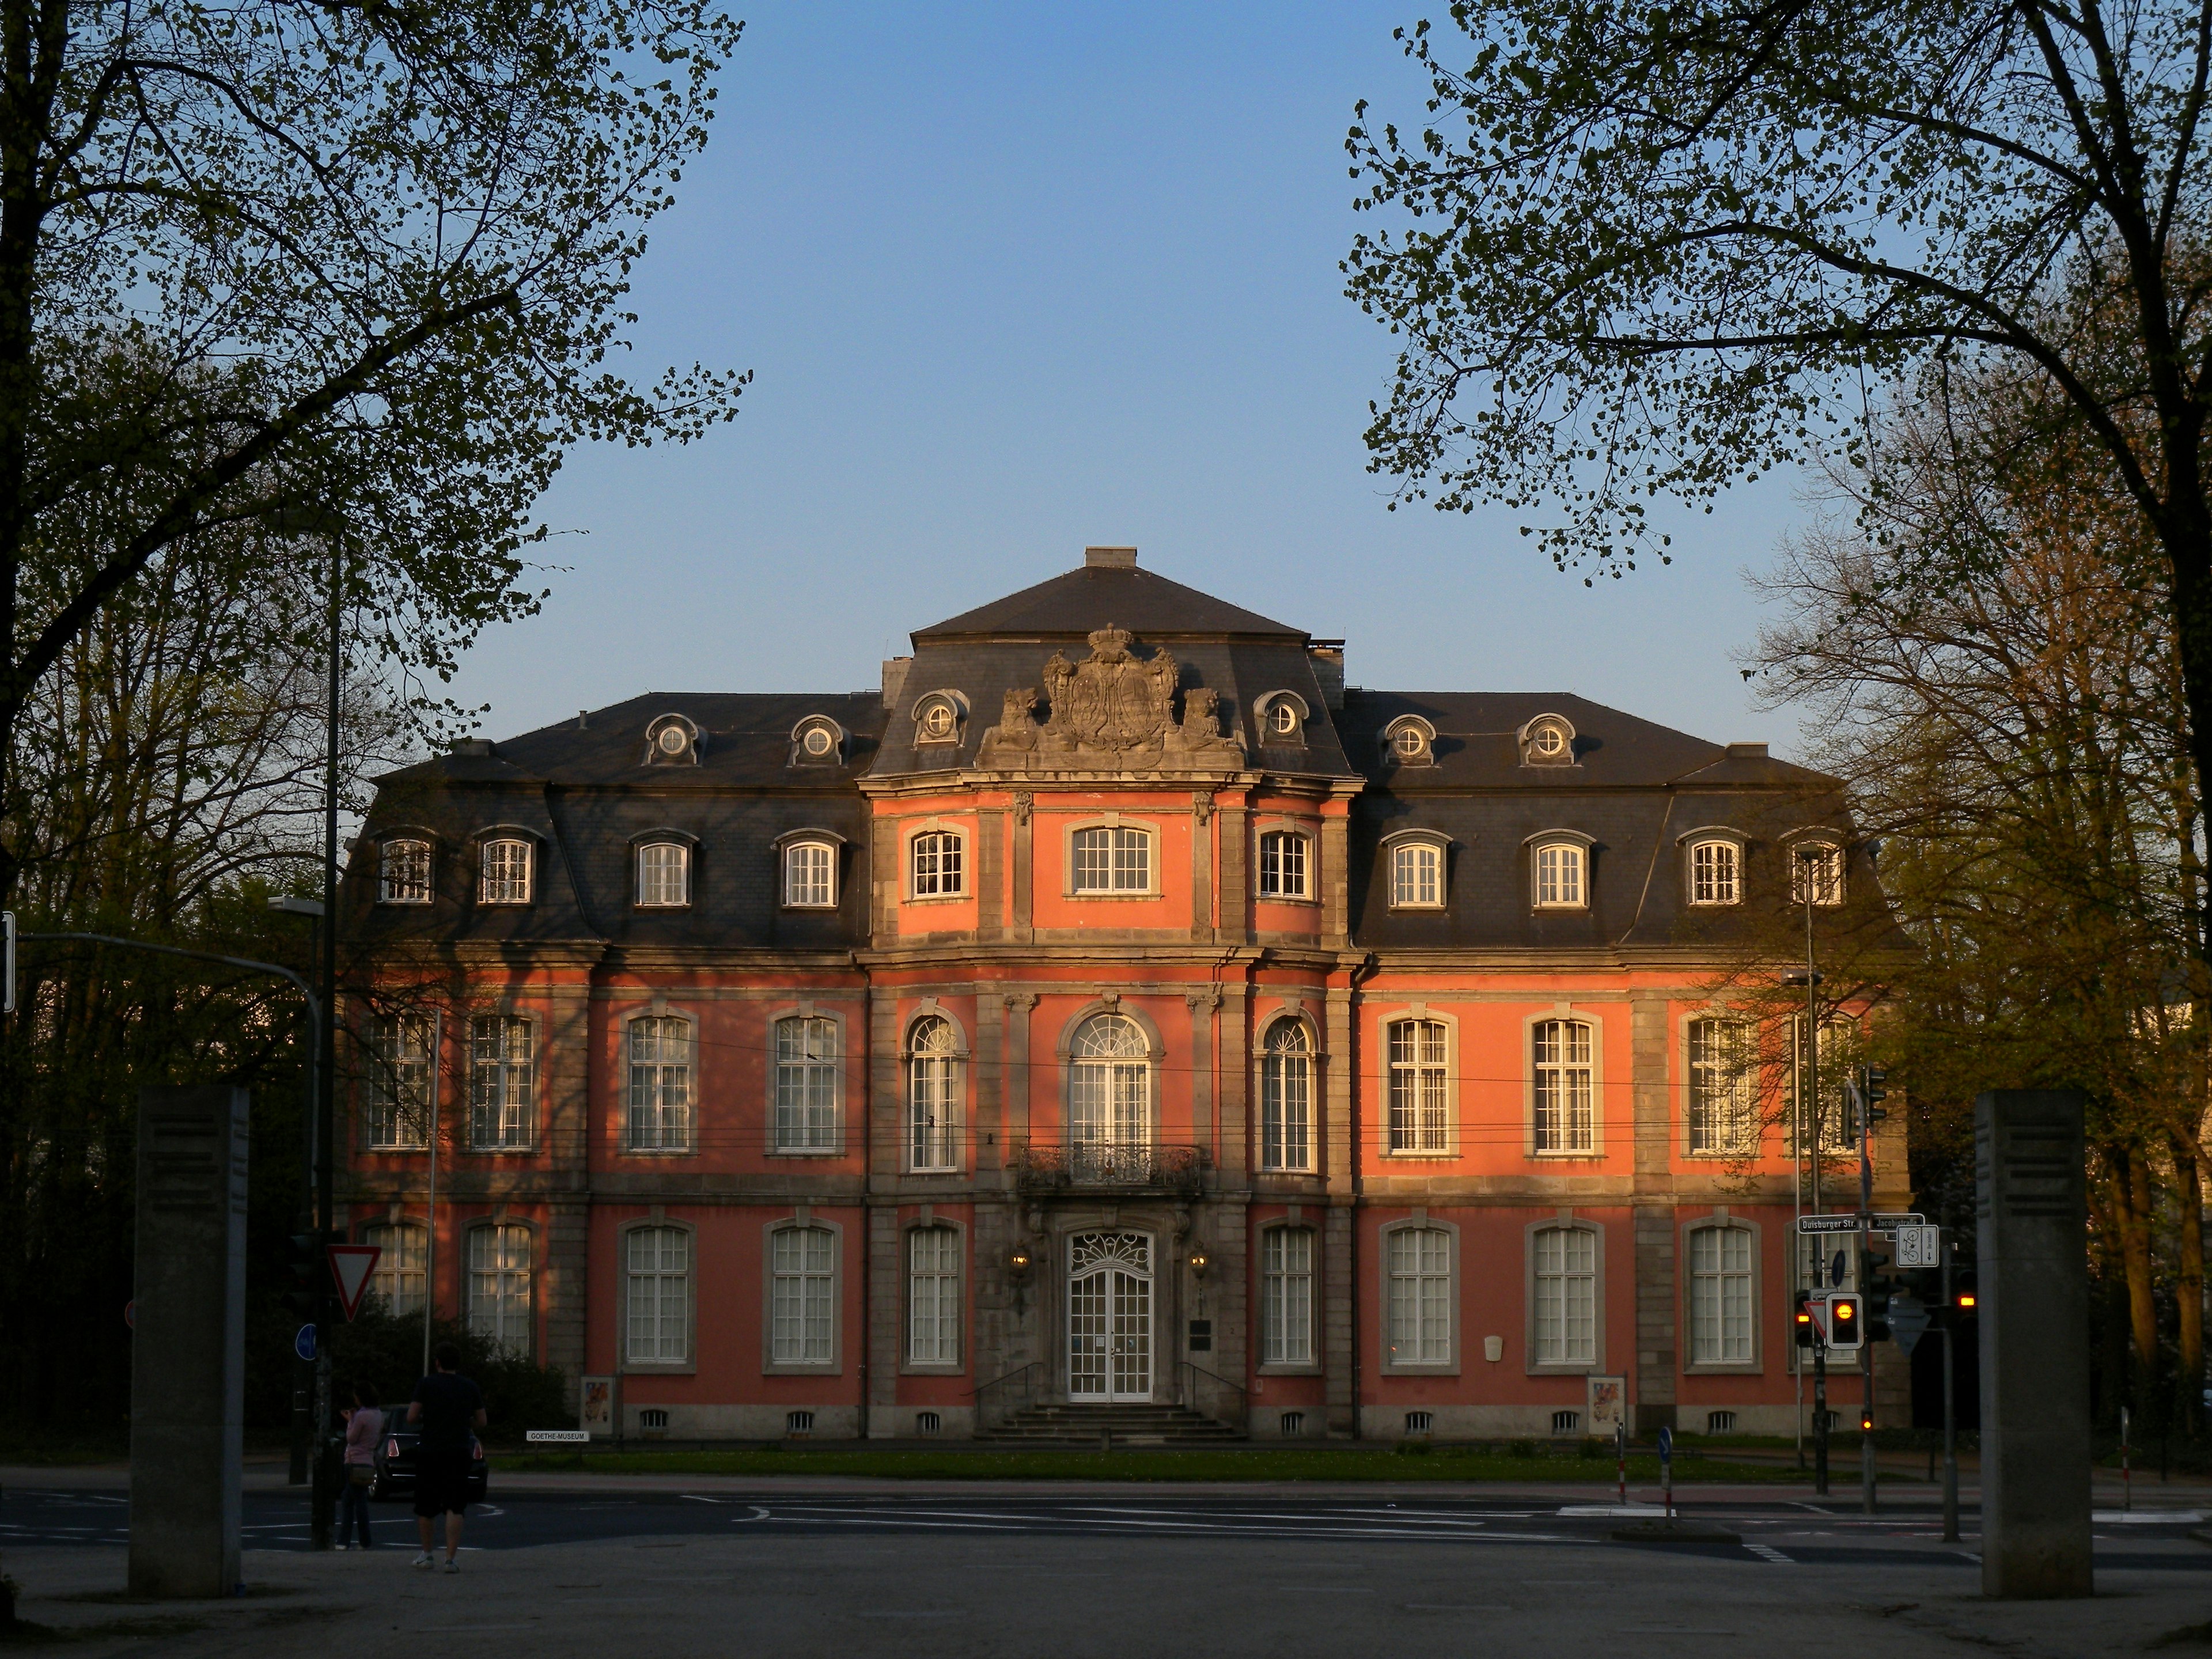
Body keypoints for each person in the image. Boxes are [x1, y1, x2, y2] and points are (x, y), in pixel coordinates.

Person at [407, 1342, 485, 1573]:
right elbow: (482, 1421)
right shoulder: (469, 1386)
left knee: (426, 1505)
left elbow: (411, 1417)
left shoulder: (426, 1384)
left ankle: (427, 1554)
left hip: (430, 1450)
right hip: (459, 1450)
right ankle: (450, 1559)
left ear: (437, 1362)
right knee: (455, 1505)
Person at [336, 1380, 380, 1550]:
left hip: (354, 1461)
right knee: (349, 1498)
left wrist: (350, 1420)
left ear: (361, 1397)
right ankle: (347, 1541)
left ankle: (358, 1541)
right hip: (368, 1461)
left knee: (358, 1501)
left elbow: (352, 1438)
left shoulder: (361, 1416)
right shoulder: (378, 1414)